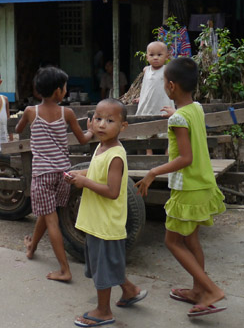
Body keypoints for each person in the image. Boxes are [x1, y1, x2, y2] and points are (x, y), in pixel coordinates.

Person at [135, 58, 227, 318]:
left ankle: (210, 289)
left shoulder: (178, 118)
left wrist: (153, 171)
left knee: (172, 241)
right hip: (203, 185)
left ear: (171, 86)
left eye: (164, 81)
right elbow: (186, 120)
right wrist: (172, 114)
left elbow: (184, 158)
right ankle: (198, 290)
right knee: (191, 239)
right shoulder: (195, 108)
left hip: (187, 189)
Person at [68, 98, 147, 327]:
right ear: (90, 122)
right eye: (98, 119)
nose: (102, 125)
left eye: (110, 120)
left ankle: (103, 311)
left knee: (103, 269)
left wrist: (84, 182)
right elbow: (96, 171)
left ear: (123, 126)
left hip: (106, 224)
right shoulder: (101, 147)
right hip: (97, 221)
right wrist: (78, 174)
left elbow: (112, 191)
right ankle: (130, 290)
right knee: (107, 262)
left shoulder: (115, 155)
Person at [15, 66, 94, 282]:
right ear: (59, 91)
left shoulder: (31, 112)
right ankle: (31, 247)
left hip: (42, 174)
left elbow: (18, 128)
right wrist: (91, 130)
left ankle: (64, 270)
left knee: (51, 220)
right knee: (47, 213)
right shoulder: (66, 113)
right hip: (62, 174)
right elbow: (83, 139)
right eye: (65, 87)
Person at [133, 41, 174, 155]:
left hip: (163, 102)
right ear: (147, 57)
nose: (155, 58)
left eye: (159, 55)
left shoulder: (167, 70)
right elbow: (146, 87)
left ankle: (168, 151)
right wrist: (141, 98)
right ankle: (148, 151)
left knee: (167, 126)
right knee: (145, 125)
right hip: (148, 103)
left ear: (166, 57)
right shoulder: (146, 70)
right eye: (152, 55)